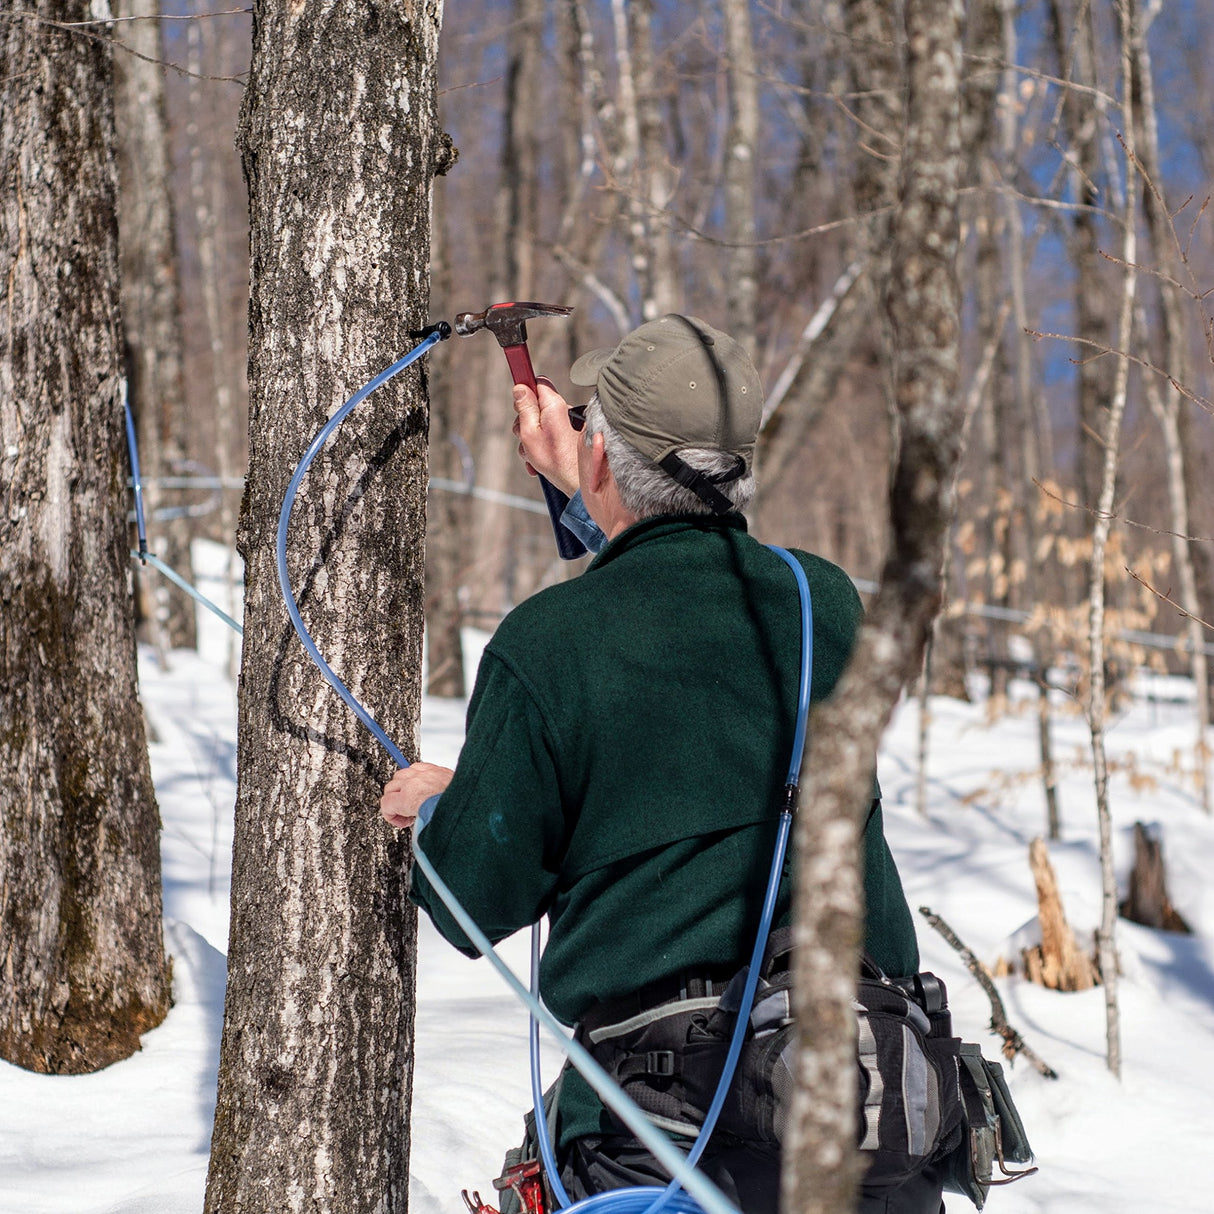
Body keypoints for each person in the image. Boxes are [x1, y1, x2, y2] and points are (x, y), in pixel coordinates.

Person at [380, 315, 940, 1214]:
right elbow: (689, 615)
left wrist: (453, 807)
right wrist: (599, 484)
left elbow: (471, 902)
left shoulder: (549, 645)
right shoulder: (825, 605)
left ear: (598, 453)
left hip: (663, 1150)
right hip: (871, 1130)